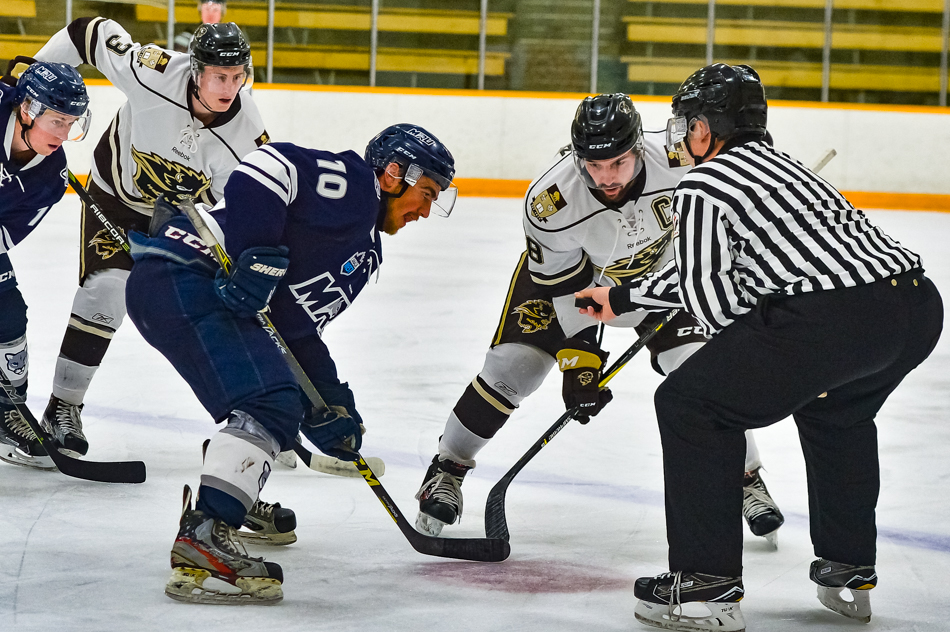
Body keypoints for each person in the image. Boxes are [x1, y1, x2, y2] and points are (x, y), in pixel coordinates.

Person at [577, 64, 943, 630]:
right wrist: (627, 297)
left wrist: (645, 300)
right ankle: (849, 569)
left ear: (704, 128)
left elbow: (714, 306)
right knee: (835, 411)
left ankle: (706, 585)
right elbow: (752, 276)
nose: (679, 136)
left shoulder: (704, 183)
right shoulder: (787, 168)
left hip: (830, 319)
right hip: (912, 307)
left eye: (685, 124)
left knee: (690, 404)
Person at [414, 93, 784, 545]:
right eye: (593, 165)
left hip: (662, 276)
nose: (606, 177)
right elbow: (567, 287)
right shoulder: (550, 203)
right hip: (574, 279)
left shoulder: (680, 158)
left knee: (700, 371)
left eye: (618, 163)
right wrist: (580, 358)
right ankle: (447, 468)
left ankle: (745, 477)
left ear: (638, 149)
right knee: (515, 368)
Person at [124, 124, 457, 604]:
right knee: (268, 401)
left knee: (274, 396)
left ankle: (230, 498)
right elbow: (271, 165)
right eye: (425, 193)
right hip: (186, 274)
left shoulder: (362, 249)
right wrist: (255, 250)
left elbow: (293, 330)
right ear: (392, 174)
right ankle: (207, 536)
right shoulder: (354, 186)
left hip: (185, 290)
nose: (425, 210)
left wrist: (328, 402)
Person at [33, 18, 266, 454]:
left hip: (178, 220)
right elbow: (88, 32)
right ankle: (63, 406)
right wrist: (27, 79)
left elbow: (243, 206)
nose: (229, 87)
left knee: (203, 313)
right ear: (196, 70)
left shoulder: (246, 134)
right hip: (114, 195)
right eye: (219, 75)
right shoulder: (152, 71)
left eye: (237, 77)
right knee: (106, 291)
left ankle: (254, 413)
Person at [0, 60, 91, 470]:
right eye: (56, 121)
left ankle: (8, 410)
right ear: (27, 109)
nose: (64, 134)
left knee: (9, 313)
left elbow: (8, 233)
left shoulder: (51, 177)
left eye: (71, 123)